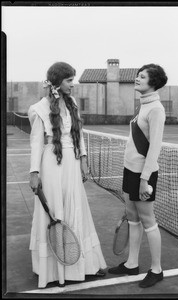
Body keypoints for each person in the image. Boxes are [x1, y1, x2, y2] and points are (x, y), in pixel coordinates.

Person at [28, 62, 107, 288]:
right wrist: (34, 173)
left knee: (76, 210)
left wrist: (83, 159)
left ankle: (84, 266)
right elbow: (36, 143)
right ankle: (53, 272)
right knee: (54, 211)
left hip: (72, 164)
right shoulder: (39, 108)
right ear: (57, 82)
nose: (73, 84)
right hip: (51, 164)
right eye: (69, 80)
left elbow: (78, 134)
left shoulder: (72, 103)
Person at [108, 64, 168, 288]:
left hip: (144, 174)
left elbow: (154, 148)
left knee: (148, 220)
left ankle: (157, 269)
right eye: (137, 75)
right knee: (132, 216)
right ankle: (132, 264)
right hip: (129, 170)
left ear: (153, 82)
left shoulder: (156, 110)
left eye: (142, 77)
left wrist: (145, 179)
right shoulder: (143, 105)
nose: (137, 79)